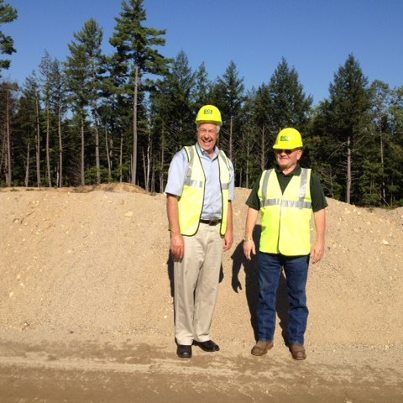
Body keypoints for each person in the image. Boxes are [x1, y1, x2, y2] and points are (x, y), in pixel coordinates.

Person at [243, 127, 327, 360]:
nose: (282, 153)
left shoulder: (310, 178)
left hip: (298, 249)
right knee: (265, 294)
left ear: (298, 153)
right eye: (279, 149)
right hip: (268, 248)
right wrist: (248, 237)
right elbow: (253, 207)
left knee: (297, 297)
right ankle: (265, 338)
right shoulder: (265, 176)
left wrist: (320, 241)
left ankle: (296, 340)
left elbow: (319, 210)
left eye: (287, 150)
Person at [165, 105, 235, 359]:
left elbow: (229, 199)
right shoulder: (184, 157)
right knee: (185, 285)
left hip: (216, 231)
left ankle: (202, 334)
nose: (207, 135)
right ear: (197, 131)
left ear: (218, 133)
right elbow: (172, 197)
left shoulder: (226, 162)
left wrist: (229, 229)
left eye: (211, 131)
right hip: (189, 233)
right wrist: (176, 233)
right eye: (203, 130)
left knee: (208, 287)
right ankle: (184, 337)